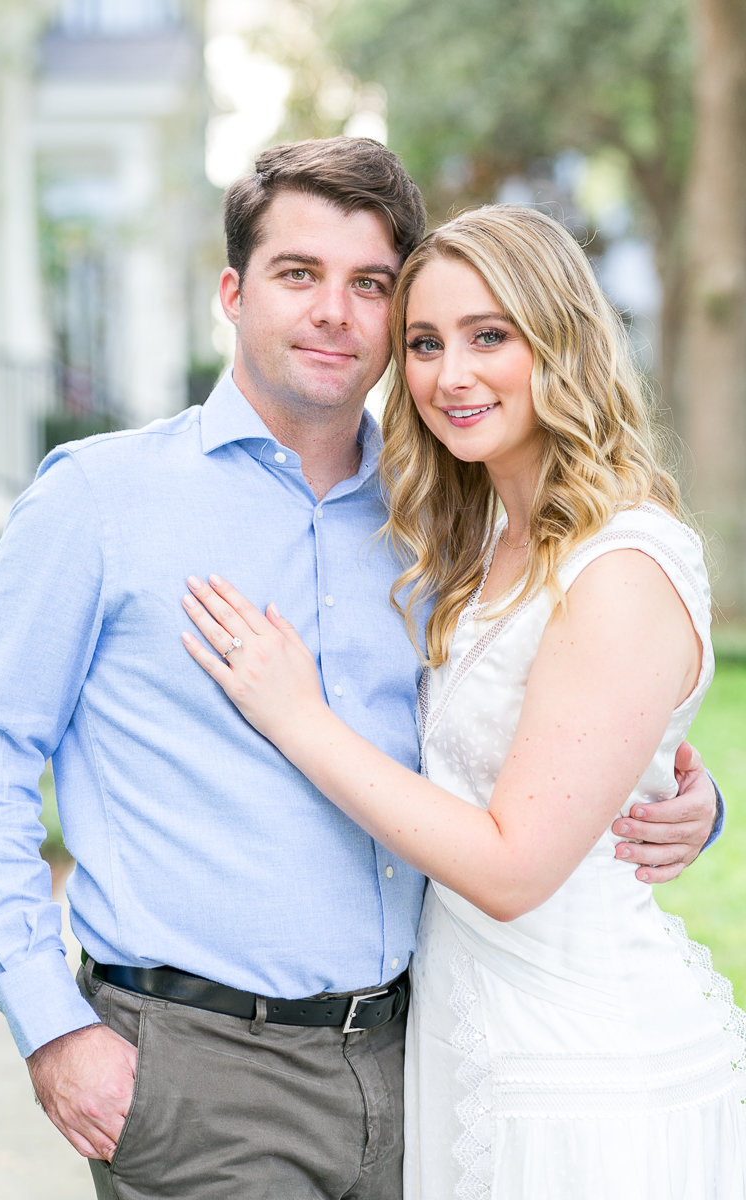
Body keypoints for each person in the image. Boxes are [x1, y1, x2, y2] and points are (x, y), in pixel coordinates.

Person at [0, 142, 721, 1200]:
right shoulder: (99, 500)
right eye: (297, 274)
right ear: (231, 291)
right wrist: (48, 1025)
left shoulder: (438, 521)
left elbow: (529, 727)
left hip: (426, 1061)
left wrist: (683, 799)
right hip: (202, 1076)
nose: (333, 313)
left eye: (369, 287)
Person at [179, 204, 745, 1198]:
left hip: (578, 1072)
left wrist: (297, 716)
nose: (450, 375)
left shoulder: (618, 563)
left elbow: (514, 865)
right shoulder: (474, 540)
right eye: (425, 344)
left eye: (490, 336)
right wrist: (694, 806)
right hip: (465, 1045)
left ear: (559, 339)